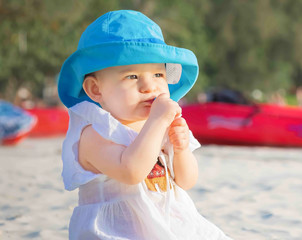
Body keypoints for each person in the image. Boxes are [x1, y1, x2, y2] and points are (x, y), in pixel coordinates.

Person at [57, 10, 232, 239]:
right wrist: (158, 121)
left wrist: (180, 151)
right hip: (117, 230)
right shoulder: (94, 134)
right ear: (96, 89)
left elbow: (186, 181)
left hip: (169, 223)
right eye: (132, 77)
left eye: (158, 74)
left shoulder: (160, 125)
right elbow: (131, 172)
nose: (150, 87)